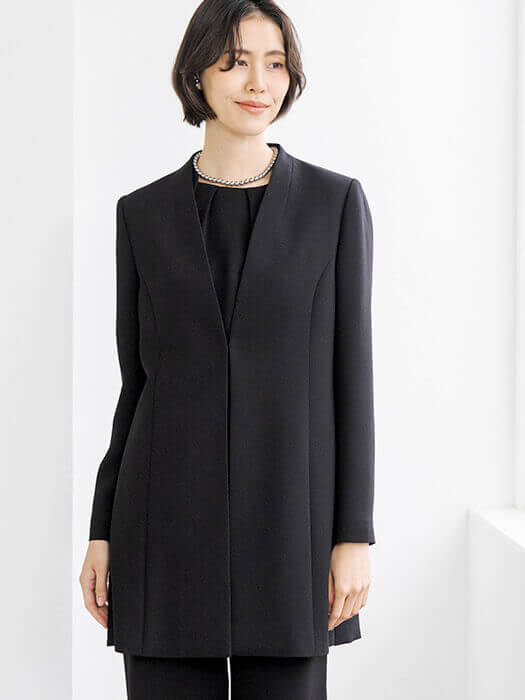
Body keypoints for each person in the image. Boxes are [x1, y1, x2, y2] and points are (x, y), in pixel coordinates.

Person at [79, 1, 376, 698]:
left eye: (276, 64)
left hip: (292, 526)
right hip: (164, 525)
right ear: (197, 74)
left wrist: (353, 535)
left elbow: (353, 379)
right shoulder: (142, 215)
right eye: (236, 62)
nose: (258, 83)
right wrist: (102, 530)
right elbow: (137, 386)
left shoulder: (333, 205)